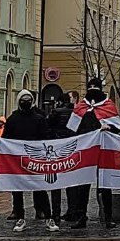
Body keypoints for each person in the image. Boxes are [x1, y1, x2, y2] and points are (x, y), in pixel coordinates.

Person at [66, 77, 120, 229]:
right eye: (91, 88)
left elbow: (117, 127)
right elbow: (72, 129)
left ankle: (108, 217)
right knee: (82, 186)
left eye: (95, 88)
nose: (93, 91)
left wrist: (108, 128)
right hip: (86, 152)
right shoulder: (82, 106)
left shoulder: (108, 105)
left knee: (104, 185)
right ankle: (81, 216)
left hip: (103, 151)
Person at [2, 90, 56, 232]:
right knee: (18, 191)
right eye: (23, 100)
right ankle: (20, 217)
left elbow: (46, 137)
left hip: (35, 161)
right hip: (17, 161)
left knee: (40, 188)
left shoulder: (39, 119)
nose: (25, 102)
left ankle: (48, 217)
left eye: (28, 99)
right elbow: (6, 138)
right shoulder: (12, 119)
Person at [47, 93, 76, 225]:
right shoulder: (75, 113)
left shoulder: (55, 112)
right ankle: (72, 211)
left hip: (57, 150)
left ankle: (56, 213)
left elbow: (48, 127)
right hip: (71, 150)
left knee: (56, 184)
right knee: (71, 184)